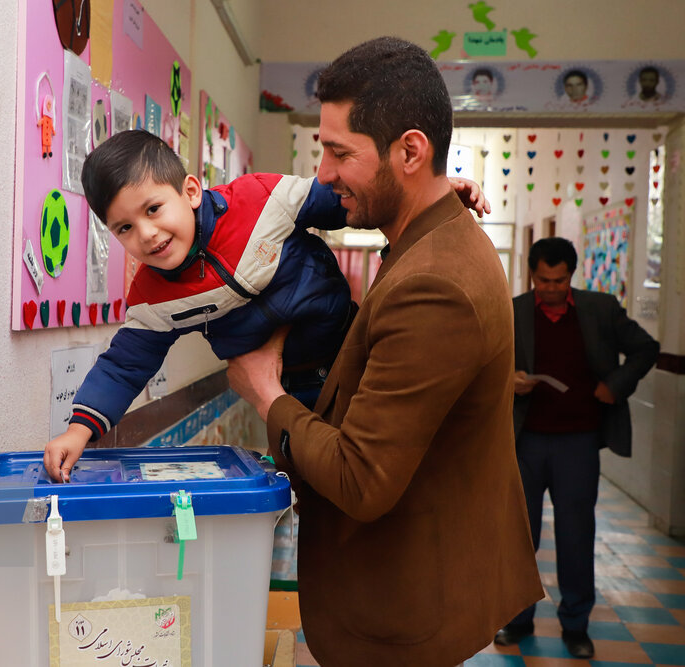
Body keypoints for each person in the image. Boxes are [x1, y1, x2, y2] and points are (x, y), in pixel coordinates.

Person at [224, 37, 543, 665]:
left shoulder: (435, 283)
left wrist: (268, 393)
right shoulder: (435, 234)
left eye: (340, 153)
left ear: (410, 151)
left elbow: (361, 479)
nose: (324, 174)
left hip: (402, 617)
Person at [42, 129, 489, 482]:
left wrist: (432, 194)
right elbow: (124, 365)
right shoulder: (154, 299)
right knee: (321, 480)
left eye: (154, 208)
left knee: (385, 458)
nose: (146, 233)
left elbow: (343, 203)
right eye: (124, 228)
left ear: (191, 192)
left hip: (350, 349)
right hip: (290, 387)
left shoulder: (259, 200)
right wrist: (79, 430)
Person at [494, 237, 659, 659]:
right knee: (519, 536)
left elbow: (646, 348)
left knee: (575, 535)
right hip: (526, 441)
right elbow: (486, 363)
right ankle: (516, 619)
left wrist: (615, 385)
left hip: (578, 443)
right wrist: (509, 379)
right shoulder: (513, 312)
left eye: (559, 280)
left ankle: (576, 626)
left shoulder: (600, 309)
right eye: (543, 280)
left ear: (572, 274)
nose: (551, 288)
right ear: (532, 274)